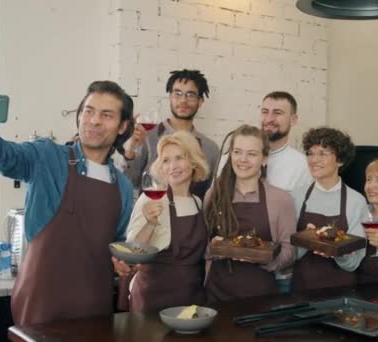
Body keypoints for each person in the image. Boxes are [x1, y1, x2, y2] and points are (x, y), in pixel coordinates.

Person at [0, 81, 134, 325]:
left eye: (107, 115)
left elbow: (118, 246)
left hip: (95, 310)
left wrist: (124, 263)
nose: (94, 120)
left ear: (123, 126)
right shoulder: (47, 157)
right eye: (88, 111)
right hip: (40, 306)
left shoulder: (122, 186)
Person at [113, 131, 210, 311]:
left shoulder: (197, 202)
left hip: (192, 297)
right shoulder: (152, 199)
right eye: (166, 160)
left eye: (179, 158)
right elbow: (132, 253)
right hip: (153, 298)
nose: (172, 166)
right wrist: (150, 223)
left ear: (194, 161)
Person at [204, 124, 297, 301]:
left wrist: (264, 260)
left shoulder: (280, 199)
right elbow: (201, 245)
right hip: (216, 293)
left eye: (252, 154)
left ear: (265, 159)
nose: (243, 159)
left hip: (260, 295)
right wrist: (212, 248)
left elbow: (290, 250)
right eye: (237, 151)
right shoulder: (214, 194)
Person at [118, 69, 219, 200]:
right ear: (170, 97)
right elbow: (129, 183)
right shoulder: (146, 136)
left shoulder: (210, 149)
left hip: (191, 218)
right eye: (177, 93)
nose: (183, 100)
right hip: (152, 217)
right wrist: (130, 151)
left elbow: (210, 196)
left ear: (200, 101)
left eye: (190, 95)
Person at [291, 127, 368, 292]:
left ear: (340, 160)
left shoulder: (356, 202)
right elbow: (287, 255)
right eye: (310, 153)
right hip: (302, 291)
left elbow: (354, 262)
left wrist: (338, 253)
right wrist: (305, 240)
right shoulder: (296, 196)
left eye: (323, 154)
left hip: (341, 293)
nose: (314, 160)